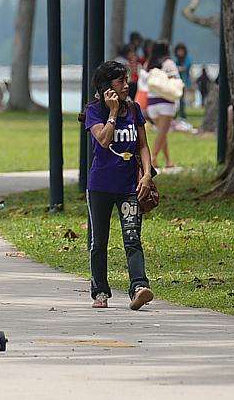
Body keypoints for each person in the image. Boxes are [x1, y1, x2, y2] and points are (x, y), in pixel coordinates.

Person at [82, 60, 155, 310]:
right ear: (106, 87)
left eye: (126, 80)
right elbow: (103, 140)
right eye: (120, 81)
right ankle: (100, 291)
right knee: (98, 241)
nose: (127, 85)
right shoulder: (94, 111)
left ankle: (139, 286)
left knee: (133, 238)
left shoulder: (134, 110)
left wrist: (146, 175)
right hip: (100, 186)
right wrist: (112, 112)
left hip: (128, 188)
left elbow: (143, 145)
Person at [143, 41, 184, 169]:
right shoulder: (169, 63)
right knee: (162, 132)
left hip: (151, 103)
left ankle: (168, 161)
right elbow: (174, 81)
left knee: (162, 133)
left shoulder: (148, 64)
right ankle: (153, 158)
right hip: (165, 102)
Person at [173, 42, 195, 109]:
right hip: (178, 82)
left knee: (183, 99)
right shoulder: (177, 60)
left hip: (185, 81)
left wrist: (177, 68)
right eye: (178, 51)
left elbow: (185, 68)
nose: (180, 52)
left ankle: (183, 115)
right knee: (178, 99)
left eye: (181, 51)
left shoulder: (188, 59)